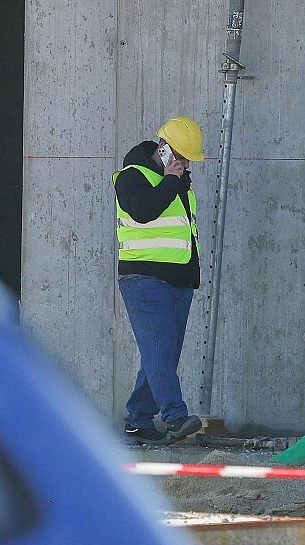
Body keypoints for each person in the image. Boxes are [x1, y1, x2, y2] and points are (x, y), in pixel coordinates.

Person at [112, 116, 205, 445]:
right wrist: (169, 180)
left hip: (178, 279)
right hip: (143, 278)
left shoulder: (178, 182)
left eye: (186, 158)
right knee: (159, 352)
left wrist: (191, 274)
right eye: (178, 155)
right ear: (163, 148)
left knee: (163, 353)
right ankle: (175, 416)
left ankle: (138, 419)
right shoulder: (132, 177)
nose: (182, 162)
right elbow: (142, 211)